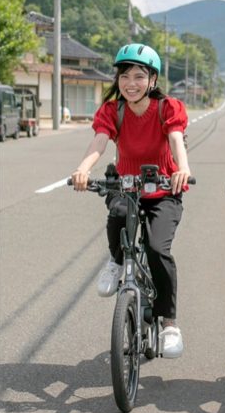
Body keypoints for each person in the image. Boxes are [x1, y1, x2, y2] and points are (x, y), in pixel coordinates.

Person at [70, 43, 192, 358]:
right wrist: (83, 169)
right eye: (125, 76)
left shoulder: (167, 108)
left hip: (164, 190)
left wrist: (184, 169)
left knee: (156, 248)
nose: (131, 83)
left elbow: (177, 139)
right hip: (128, 186)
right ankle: (115, 261)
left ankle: (169, 324)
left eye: (139, 76)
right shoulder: (114, 110)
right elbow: (99, 141)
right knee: (118, 213)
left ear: (152, 80)